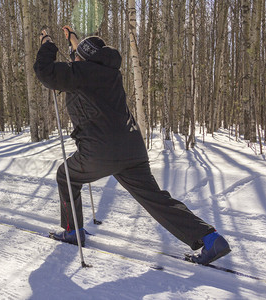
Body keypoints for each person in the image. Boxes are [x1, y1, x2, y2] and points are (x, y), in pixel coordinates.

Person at [33, 26, 231, 265]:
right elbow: (86, 57)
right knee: (155, 198)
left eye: (76, 55)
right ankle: (210, 238)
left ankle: (73, 231)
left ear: (83, 59)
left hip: (100, 150)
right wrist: (74, 40)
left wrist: (47, 42)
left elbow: (45, 72)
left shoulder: (80, 72)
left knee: (66, 176)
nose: (73, 57)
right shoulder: (109, 70)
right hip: (131, 148)